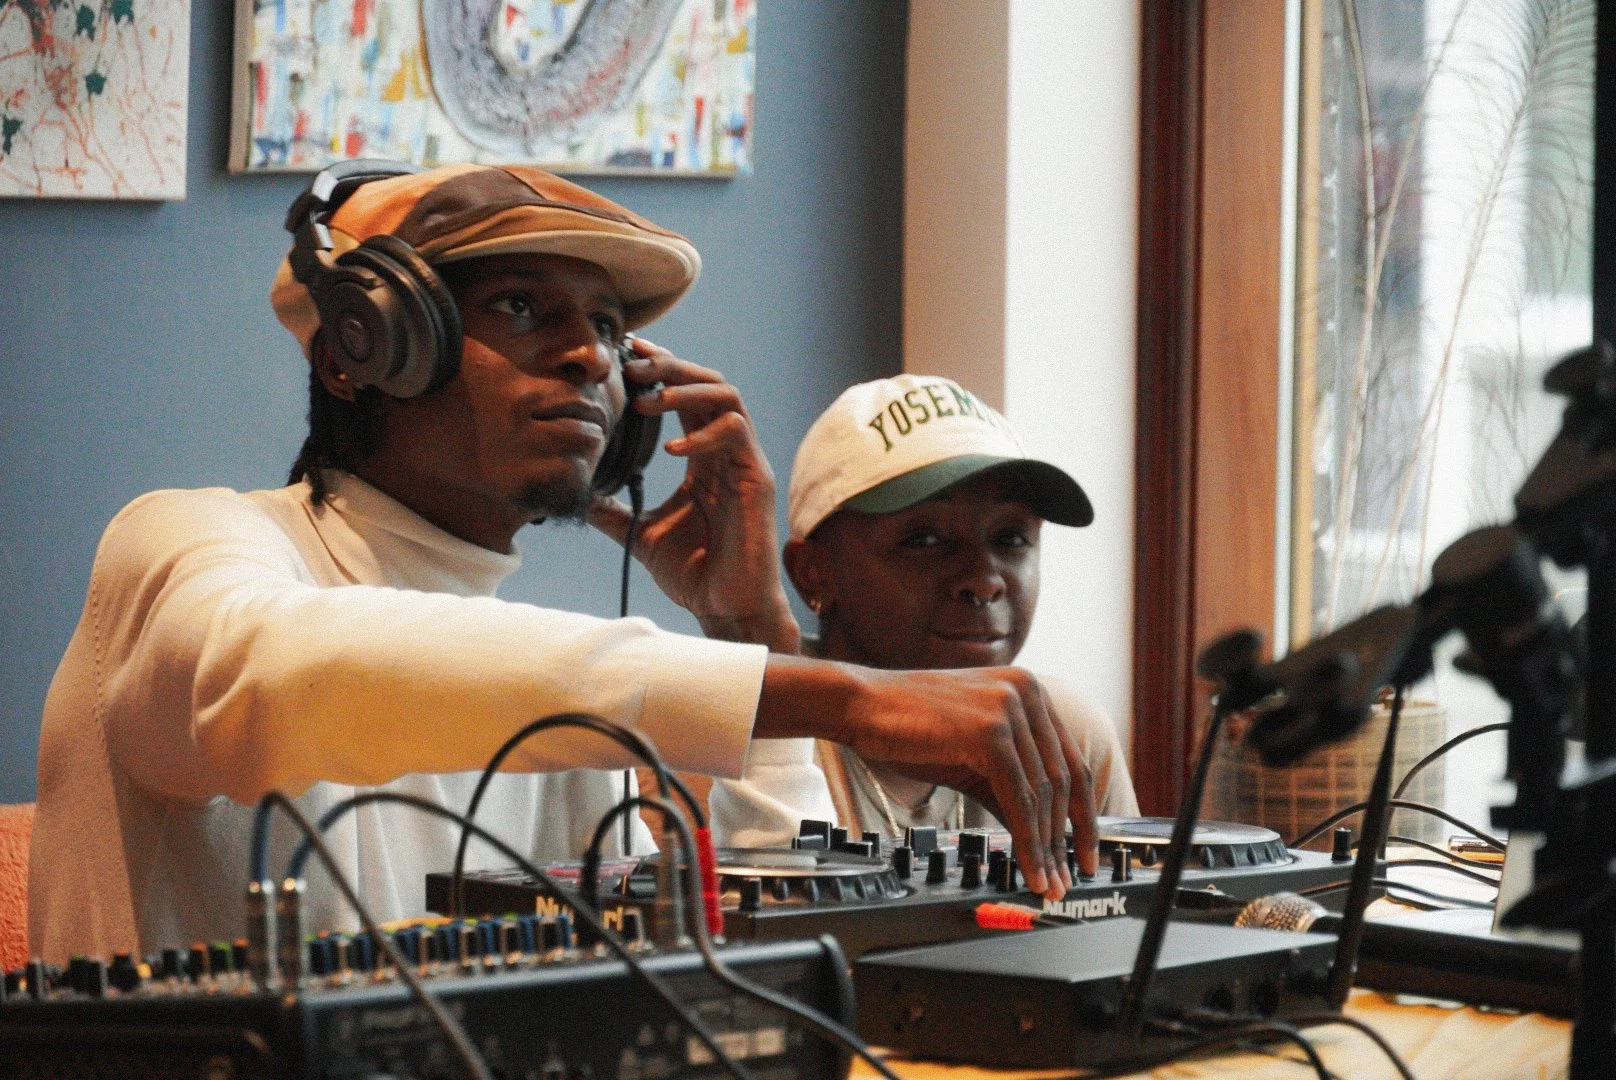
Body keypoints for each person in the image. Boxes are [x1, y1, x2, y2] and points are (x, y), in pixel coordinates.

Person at [28, 164, 1096, 964]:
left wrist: (753, 629)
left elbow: (757, 957)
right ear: (363, 350)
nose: (591, 356)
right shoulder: (186, 543)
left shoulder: (564, 707)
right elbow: (266, 671)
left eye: (606, 327)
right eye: (522, 309)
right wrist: (842, 696)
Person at [711, 374, 1138, 847]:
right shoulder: (732, 733)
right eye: (925, 540)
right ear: (813, 571)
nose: (984, 579)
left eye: (1011, 538)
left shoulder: (1065, 735)